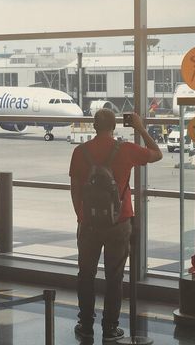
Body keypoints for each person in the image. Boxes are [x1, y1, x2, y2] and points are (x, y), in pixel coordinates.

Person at [70, 110, 162, 342]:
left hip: (88, 223)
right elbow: (157, 154)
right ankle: (110, 327)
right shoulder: (126, 149)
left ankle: (85, 325)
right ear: (114, 125)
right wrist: (141, 128)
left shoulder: (80, 152)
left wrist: (81, 217)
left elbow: (75, 190)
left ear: (93, 126)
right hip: (119, 222)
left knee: (86, 275)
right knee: (114, 276)